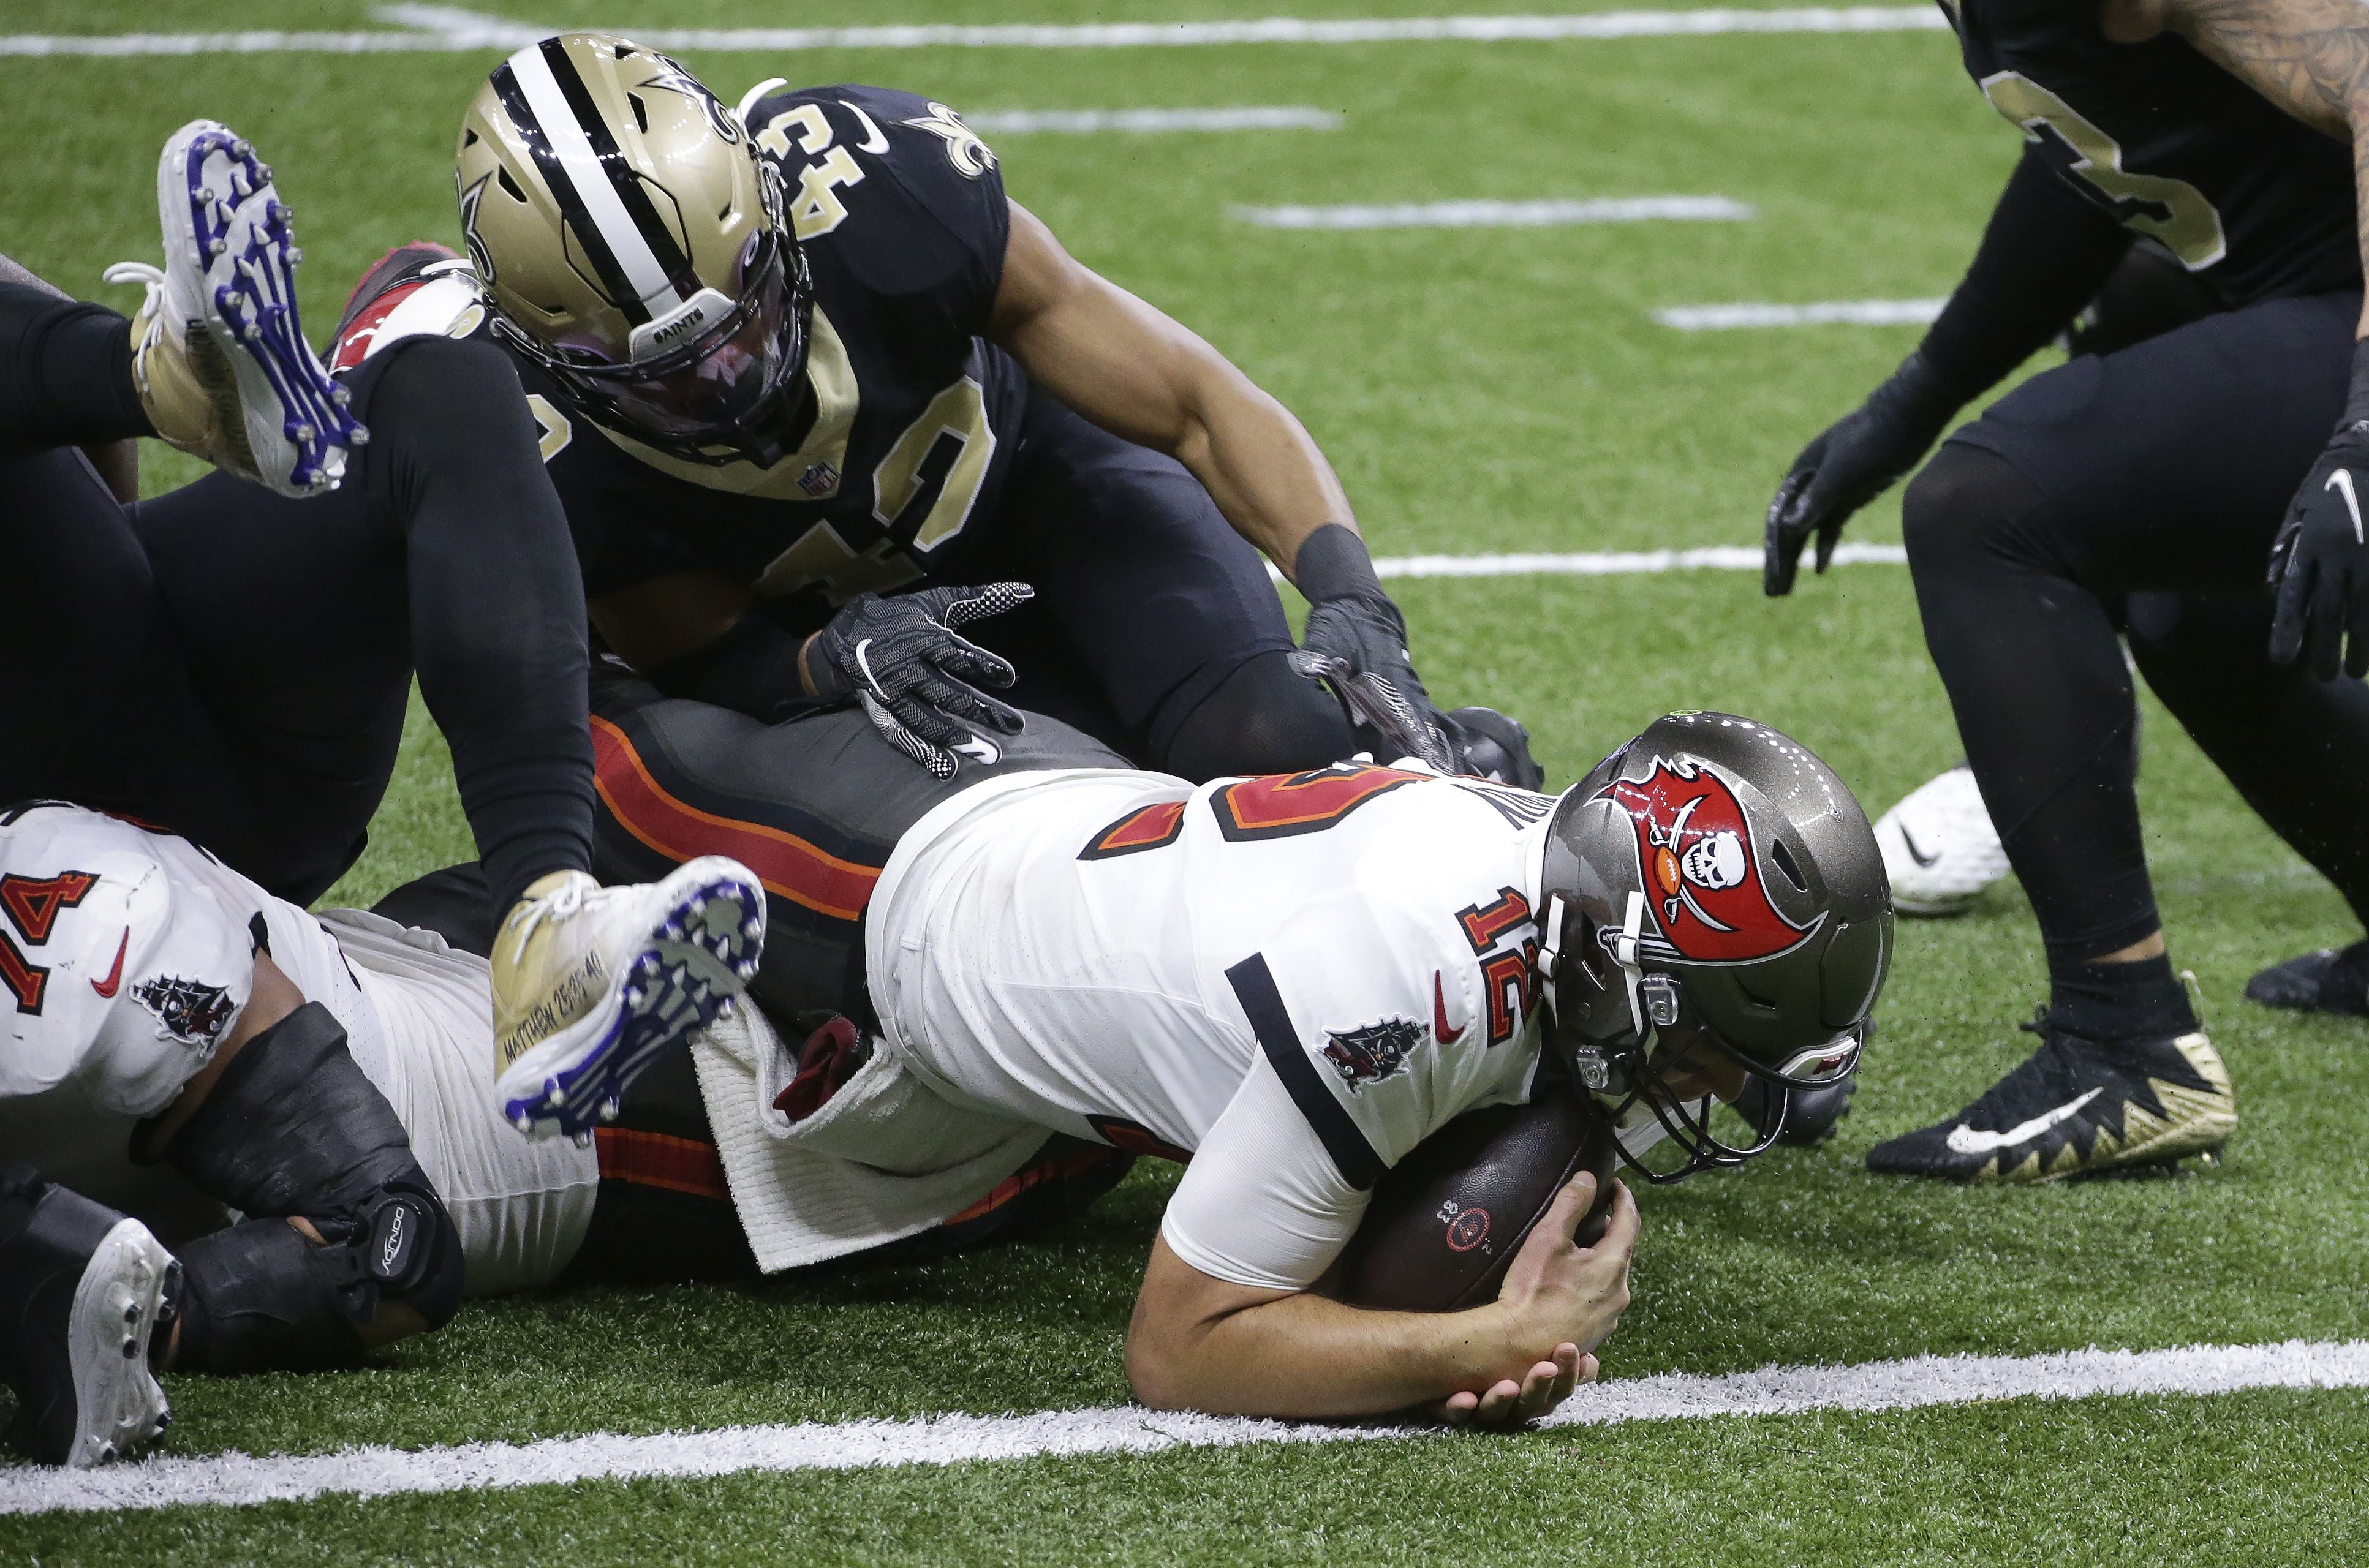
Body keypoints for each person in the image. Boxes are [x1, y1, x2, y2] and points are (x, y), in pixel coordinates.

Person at [371, 680, 1888, 1425]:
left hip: (1067, 816)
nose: (1711, 1090)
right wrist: (1469, 1343)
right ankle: (414, 376)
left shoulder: (1560, 866)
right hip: (890, 896)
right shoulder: (1414, 984)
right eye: (1701, 1048)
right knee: (581, 755)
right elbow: (1181, 1345)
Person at [1763, 0, 2369, 1180]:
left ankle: (2125, 1040)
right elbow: (2104, 145)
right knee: (2174, 587)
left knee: (1985, 509)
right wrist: (1907, 401)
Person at [405, 32, 1533, 788]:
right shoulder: (547, 442)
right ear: (550, 352)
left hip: (1050, 491)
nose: (728, 381)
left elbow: (1195, 402)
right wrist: (824, 664)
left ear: (772, 216)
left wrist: (1348, 590)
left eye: (742, 315)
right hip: (872, 647)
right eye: (666, 375)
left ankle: (1446, 778)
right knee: (1080, 843)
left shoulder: (881, 187)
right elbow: (707, 654)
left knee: (1277, 749)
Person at [0, 119, 766, 1136]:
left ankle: (550, 937)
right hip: (56, 814)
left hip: (148, 715)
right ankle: (171, 382)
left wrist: (69, 565)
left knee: (436, 387)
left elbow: (82, 445)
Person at [0, 801, 764, 1466]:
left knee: (847, 1045)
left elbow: (387, 1248)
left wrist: (138, 1308)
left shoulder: (56, 909)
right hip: (386, 954)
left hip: (499, 1099)